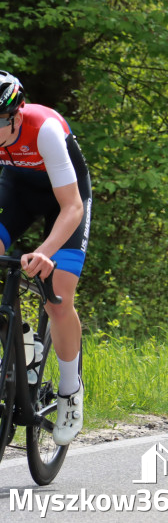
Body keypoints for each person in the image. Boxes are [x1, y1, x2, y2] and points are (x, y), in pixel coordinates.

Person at [0, 72, 90, 445]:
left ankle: (71, 392)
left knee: (59, 297)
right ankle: (20, 338)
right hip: (17, 188)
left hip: (65, 200)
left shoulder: (46, 130)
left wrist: (44, 251)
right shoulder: (6, 133)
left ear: (15, 116)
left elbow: (72, 207)